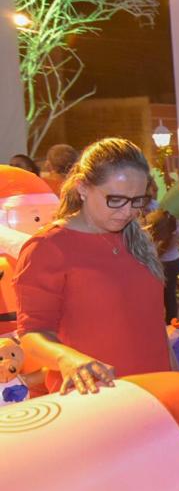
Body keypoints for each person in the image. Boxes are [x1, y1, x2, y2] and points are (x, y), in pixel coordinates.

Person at [15, 138, 170, 395]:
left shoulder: (138, 240)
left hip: (156, 391)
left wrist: (175, 375)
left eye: (137, 201)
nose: (127, 212)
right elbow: (32, 335)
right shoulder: (48, 247)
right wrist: (67, 359)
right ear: (83, 188)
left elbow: (154, 326)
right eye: (116, 199)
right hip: (94, 397)